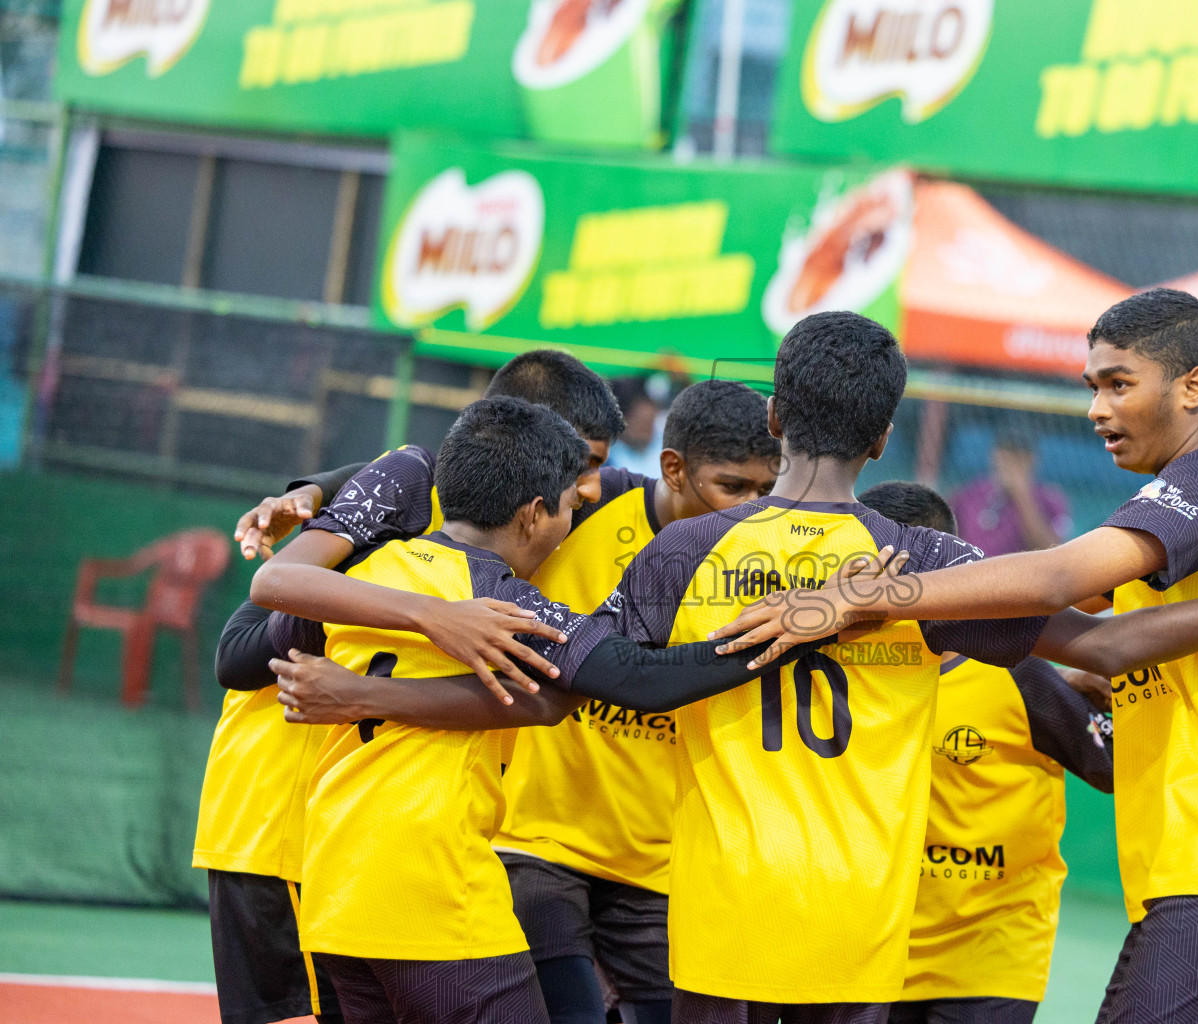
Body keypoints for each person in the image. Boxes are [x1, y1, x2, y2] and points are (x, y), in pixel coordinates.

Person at [605, 309, 1198, 1022]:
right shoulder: (928, 551)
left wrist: (869, 599)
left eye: (1117, 383)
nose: (1096, 409)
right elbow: (1100, 643)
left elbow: (600, 674)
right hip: (870, 909)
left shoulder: (683, 546)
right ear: (885, 436)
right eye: (1094, 386)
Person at [255, 378, 779, 1024]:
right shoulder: (506, 606)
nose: (578, 509)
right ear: (533, 514)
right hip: (435, 887)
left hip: (336, 889)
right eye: (567, 504)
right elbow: (642, 679)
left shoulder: (367, 568)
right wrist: (785, 631)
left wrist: (369, 686)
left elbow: (544, 702)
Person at [193, 348, 625, 1024]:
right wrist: (408, 608)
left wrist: (317, 489)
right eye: (586, 463)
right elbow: (239, 654)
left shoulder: (493, 516)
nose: (594, 486)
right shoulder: (406, 506)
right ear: (516, 436)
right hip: (282, 819)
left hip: (368, 843)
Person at [861, 481, 1114, 1024]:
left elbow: (1116, 765)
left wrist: (1128, 700)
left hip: (992, 959)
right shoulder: (841, 674)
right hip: (874, 954)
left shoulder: (1020, 676)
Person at [949, 434, 1072, 555]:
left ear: (1031, 460)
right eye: (1005, 458)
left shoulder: (1050, 499)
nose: (1009, 466)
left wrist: (1021, 494)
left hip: (1018, 572)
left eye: (1017, 460)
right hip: (969, 568)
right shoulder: (972, 491)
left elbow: (1050, 550)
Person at [606, 376, 665, 477]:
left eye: (651, 422)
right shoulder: (608, 460)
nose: (649, 432)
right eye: (643, 423)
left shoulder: (664, 442)